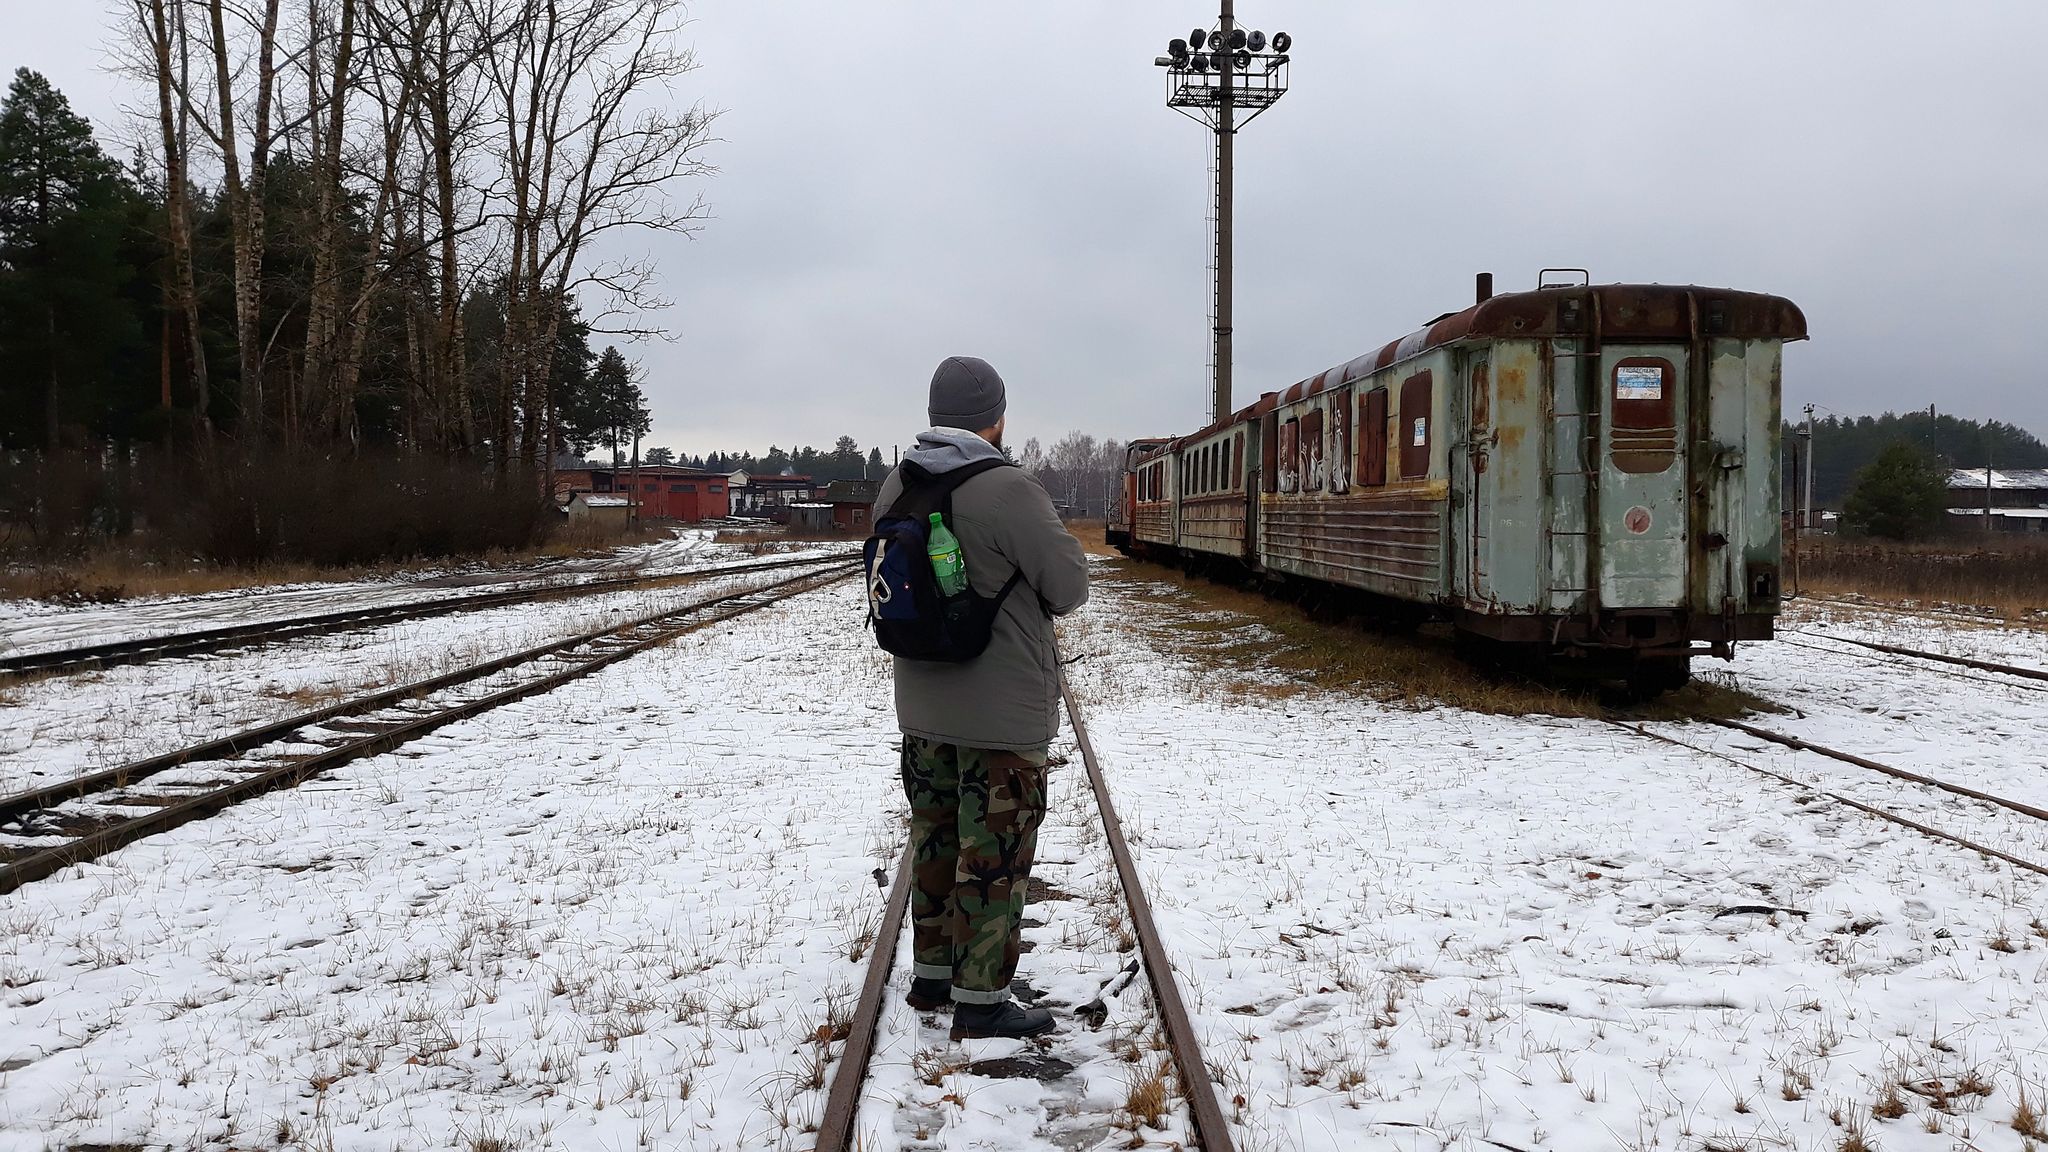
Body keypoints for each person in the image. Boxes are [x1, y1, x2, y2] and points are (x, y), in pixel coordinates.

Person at [872, 355, 1090, 1041]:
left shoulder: (894, 487)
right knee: (992, 856)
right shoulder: (1008, 490)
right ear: (996, 418)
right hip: (1001, 714)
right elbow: (1069, 587)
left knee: (935, 838)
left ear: (936, 414)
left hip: (922, 706)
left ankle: (933, 976)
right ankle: (982, 1000)